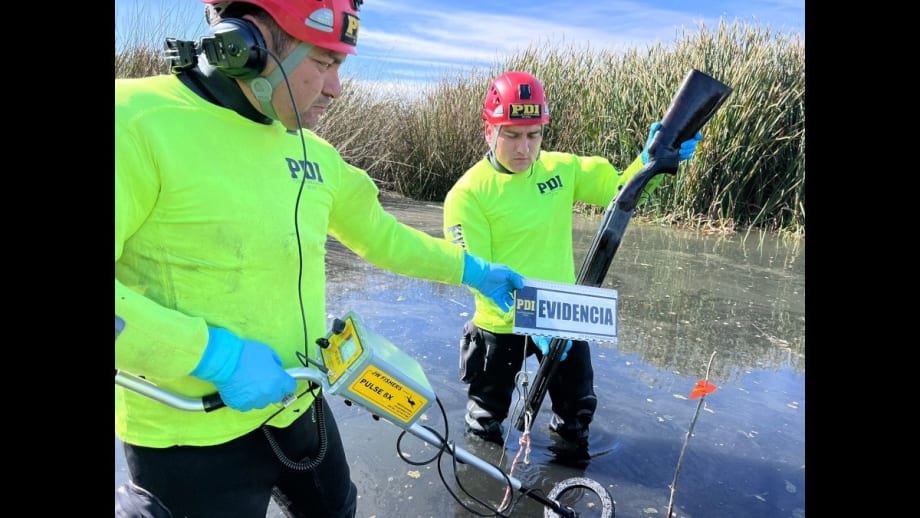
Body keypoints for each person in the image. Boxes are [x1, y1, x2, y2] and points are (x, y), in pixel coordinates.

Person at [114, 2, 525, 517]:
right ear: (248, 45)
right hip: (189, 437)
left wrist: (473, 270)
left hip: (299, 404)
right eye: (324, 64)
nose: (335, 89)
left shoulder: (315, 156)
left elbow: (385, 238)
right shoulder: (134, 122)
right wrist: (212, 358)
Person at [442, 71, 703, 458]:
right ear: (488, 130)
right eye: (511, 134)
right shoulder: (467, 194)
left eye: (534, 135)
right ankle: (483, 484)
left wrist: (653, 162)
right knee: (486, 420)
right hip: (500, 320)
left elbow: (620, 190)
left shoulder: (560, 170)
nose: (523, 148)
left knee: (577, 411)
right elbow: (477, 276)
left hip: (562, 311)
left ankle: (566, 480)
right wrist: (527, 315)